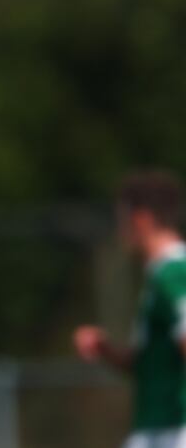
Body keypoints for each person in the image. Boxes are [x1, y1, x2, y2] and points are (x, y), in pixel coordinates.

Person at [73, 171, 186, 448]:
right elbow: (150, 364)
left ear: (141, 220)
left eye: (122, 220)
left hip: (172, 430)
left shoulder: (173, 273)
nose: (119, 229)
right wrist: (105, 349)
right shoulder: (160, 274)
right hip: (158, 427)